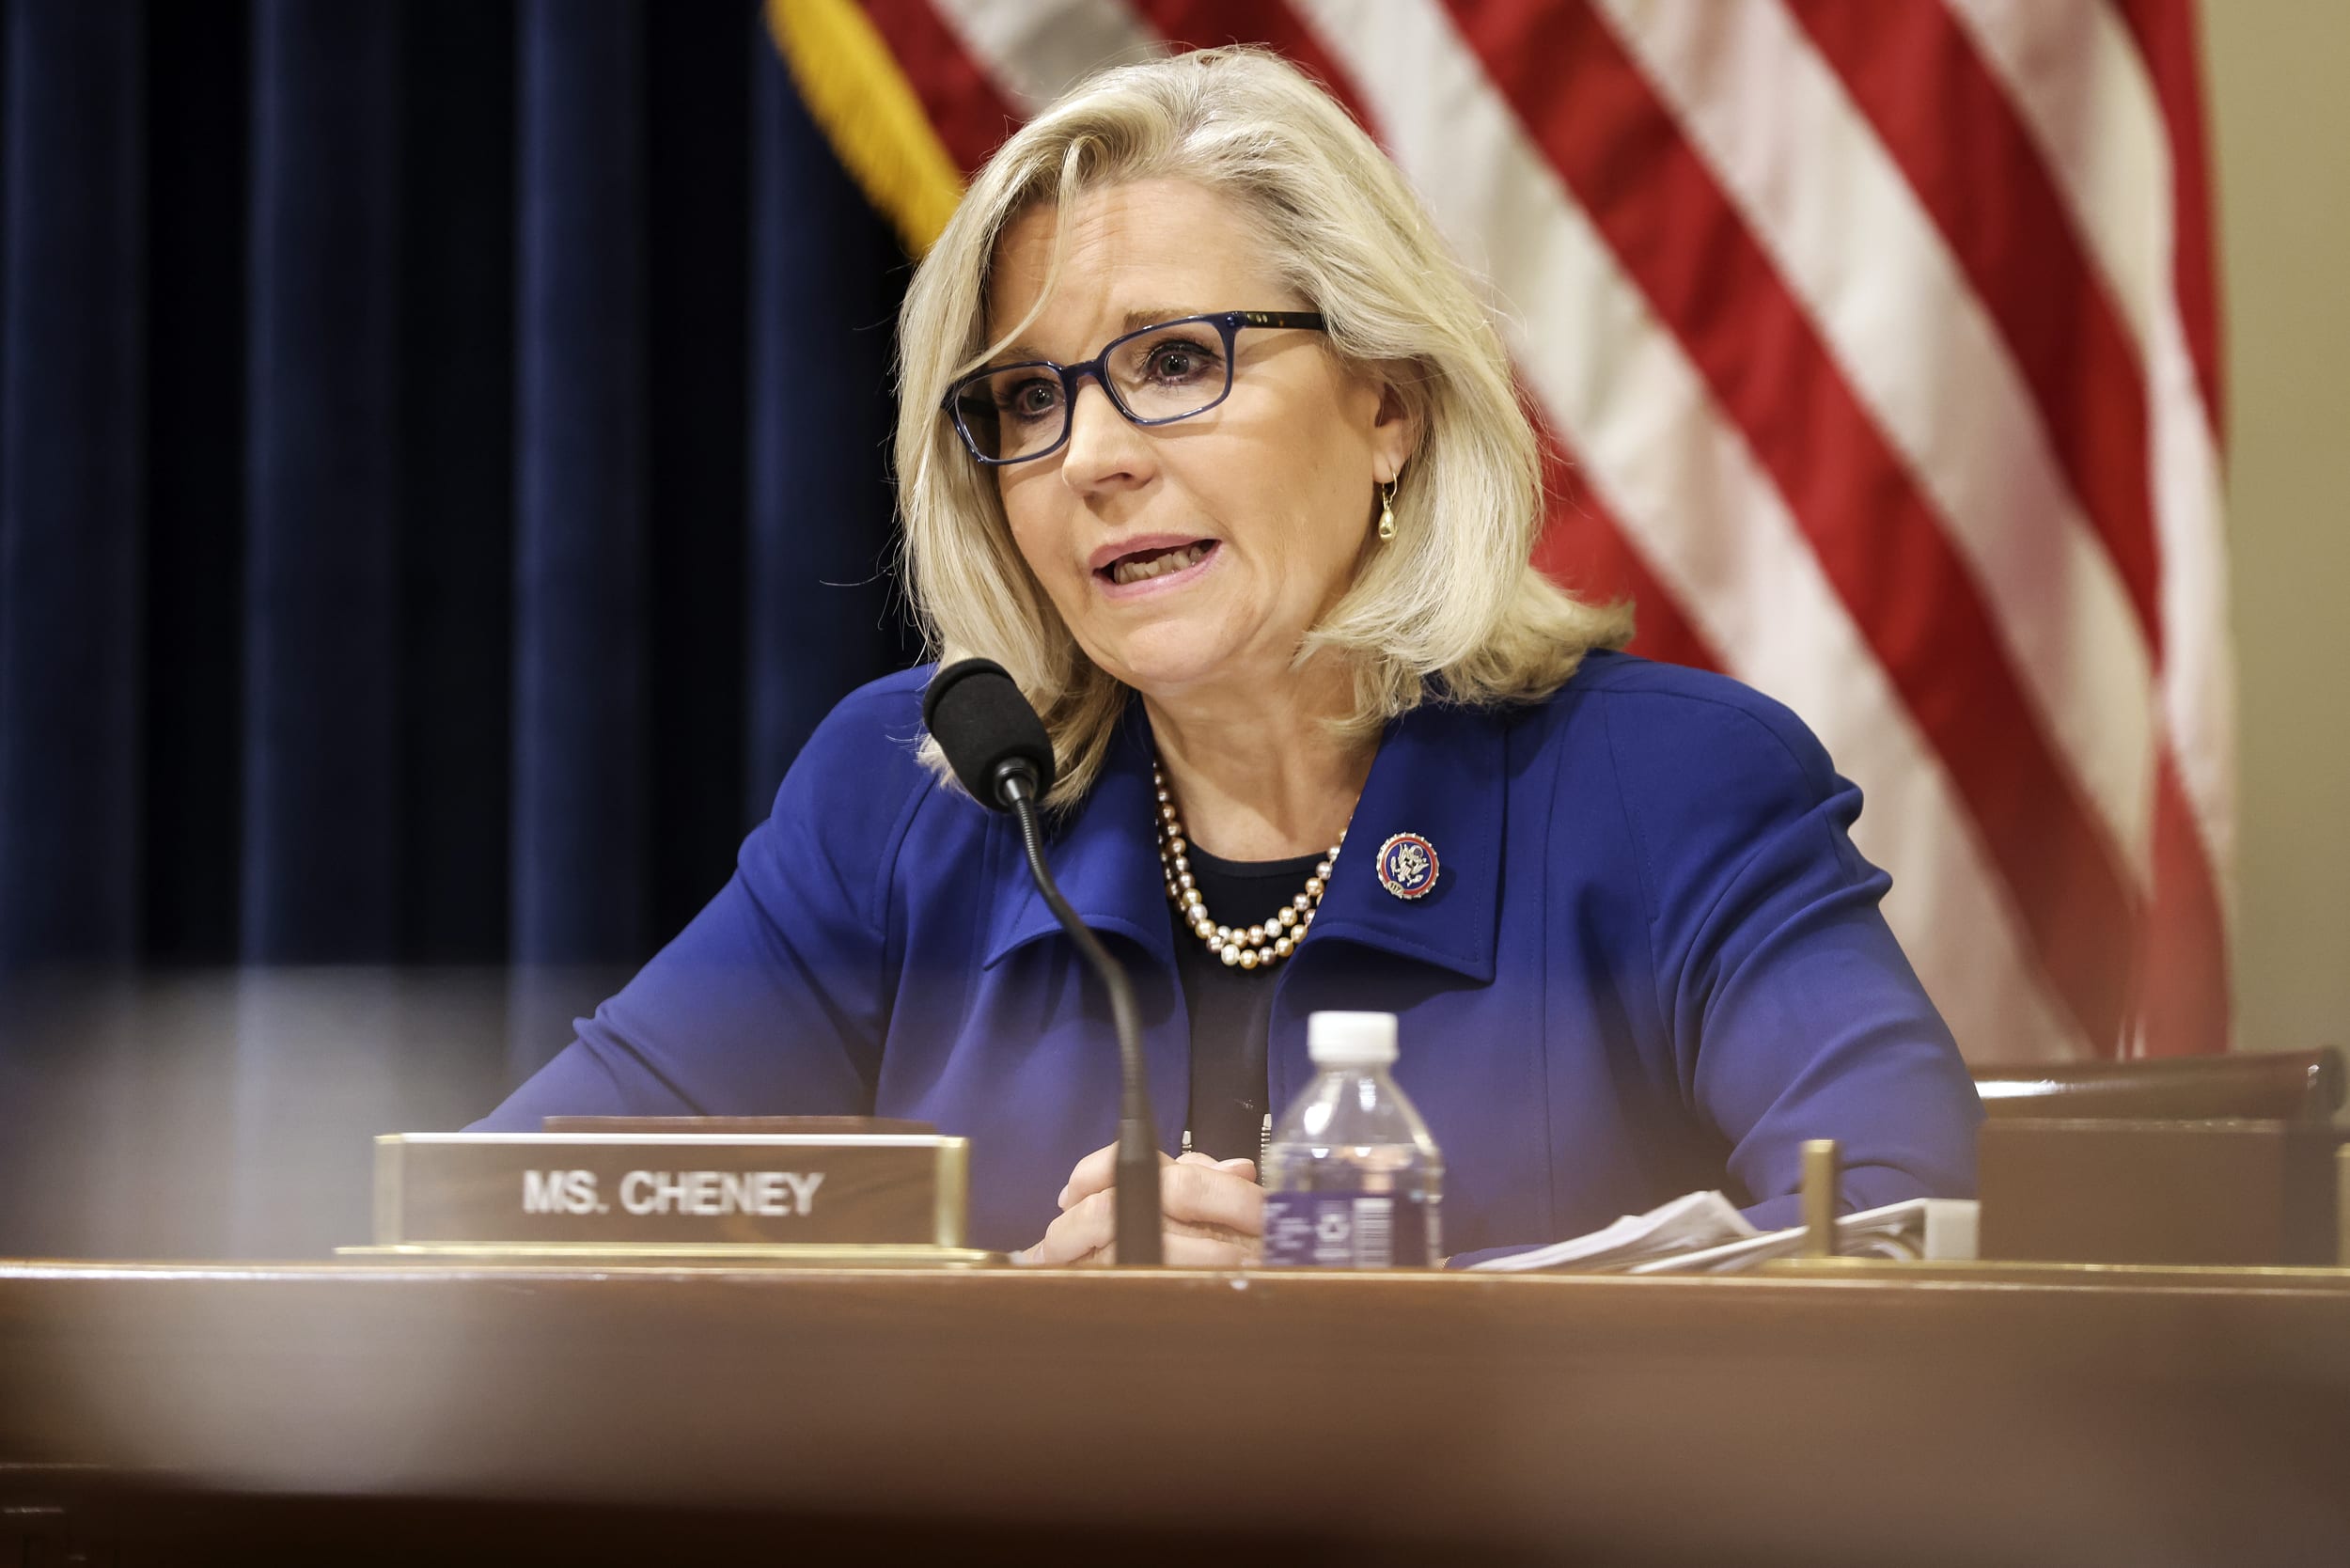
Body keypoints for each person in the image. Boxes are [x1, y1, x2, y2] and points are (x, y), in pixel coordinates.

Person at [474, 46, 1981, 1266]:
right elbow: (514, 1213)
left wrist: (1383, 1353)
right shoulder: (912, 801)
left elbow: (1904, 1235)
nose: (1090, 459)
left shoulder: (1674, 791)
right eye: (1027, 400)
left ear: (1388, 404)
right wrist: (995, 1343)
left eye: (1176, 361)